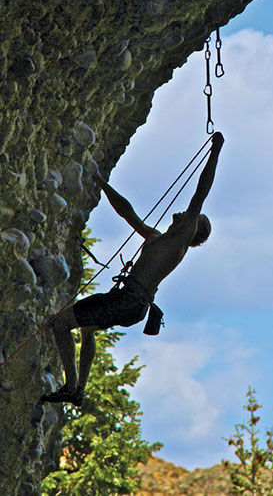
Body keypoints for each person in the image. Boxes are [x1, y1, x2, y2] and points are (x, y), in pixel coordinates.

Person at [41, 132, 224, 406]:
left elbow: (201, 192)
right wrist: (101, 183)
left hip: (128, 301)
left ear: (192, 225)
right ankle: (78, 388)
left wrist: (216, 151)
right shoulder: (158, 238)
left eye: (191, 214)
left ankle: (72, 387)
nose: (185, 212)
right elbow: (128, 213)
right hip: (131, 303)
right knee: (87, 328)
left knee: (60, 323)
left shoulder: (179, 240)